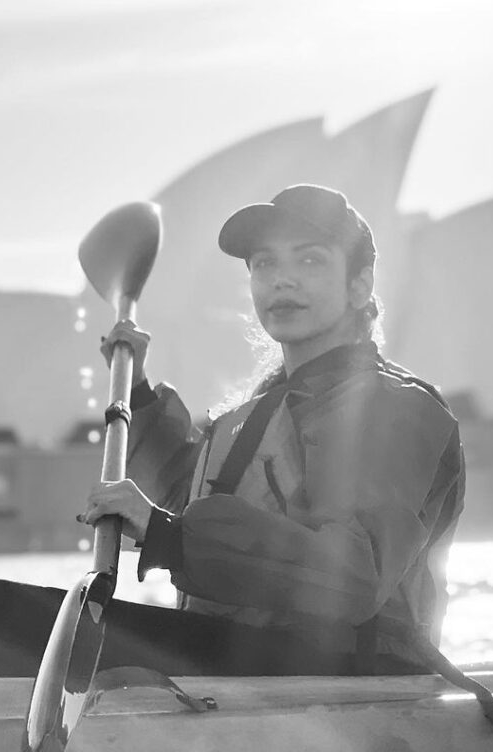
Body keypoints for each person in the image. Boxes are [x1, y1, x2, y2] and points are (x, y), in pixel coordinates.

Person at [82, 184, 466, 675]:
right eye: (264, 264)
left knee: (1, 621)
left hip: (348, 681)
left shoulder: (393, 409)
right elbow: (190, 498)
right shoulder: (257, 413)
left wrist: (168, 534)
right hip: (241, 663)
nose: (282, 280)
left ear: (360, 285)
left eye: (309, 262)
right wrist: (136, 392)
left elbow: (352, 575)